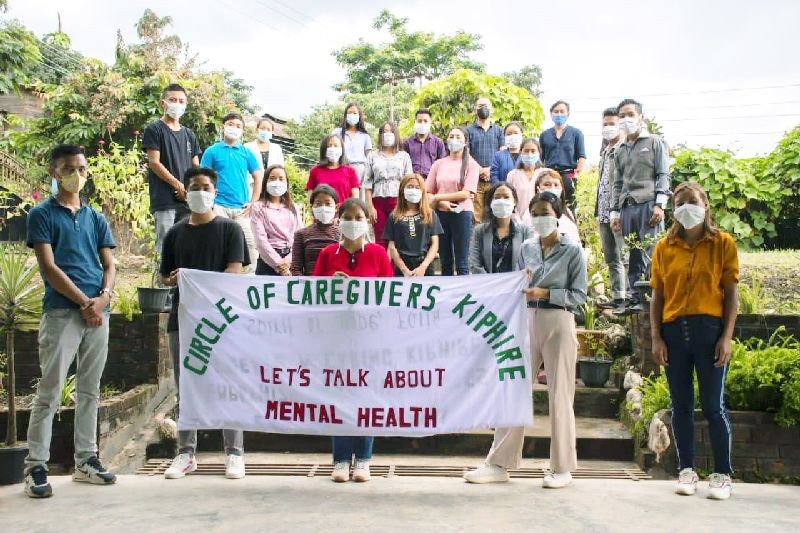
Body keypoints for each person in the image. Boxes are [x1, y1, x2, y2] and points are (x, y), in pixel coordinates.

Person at [463, 191, 587, 489]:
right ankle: (499, 462)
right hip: (526, 319)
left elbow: (580, 296)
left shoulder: (573, 251)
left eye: (546, 212)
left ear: (557, 213)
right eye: (535, 213)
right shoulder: (528, 247)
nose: (541, 218)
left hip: (558, 319)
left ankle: (561, 467)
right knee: (513, 388)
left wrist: (546, 293)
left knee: (560, 394)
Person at [24, 144, 118, 498]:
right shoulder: (41, 215)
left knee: (90, 390)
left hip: (98, 312)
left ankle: (86, 460)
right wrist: (84, 303)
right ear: (53, 172)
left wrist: (104, 297)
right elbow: (49, 268)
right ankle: (35, 465)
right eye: (67, 168)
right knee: (50, 390)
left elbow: (109, 264)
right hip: (63, 312)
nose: (75, 174)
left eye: (80, 168)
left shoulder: (95, 217)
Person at [159, 166, 250, 480]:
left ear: (215, 190)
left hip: (222, 321)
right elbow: (164, 275)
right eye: (194, 186)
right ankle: (186, 453)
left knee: (229, 384)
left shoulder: (230, 231)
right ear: (185, 191)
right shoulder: (174, 233)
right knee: (187, 385)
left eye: (206, 186)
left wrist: (205, 292)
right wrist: (173, 279)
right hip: (181, 320)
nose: (200, 191)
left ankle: (234, 453)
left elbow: (234, 272)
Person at [650, 182, 738, 501]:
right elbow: (657, 295)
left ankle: (722, 474)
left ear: (705, 204)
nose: (687, 206)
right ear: (674, 209)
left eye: (692, 201)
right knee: (681, 406)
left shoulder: (722, 244)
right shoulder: (664, 246)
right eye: (681, 202)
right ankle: (686, 469)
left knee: (714, 406)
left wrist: (726, 336)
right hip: (674, 331)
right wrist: (656, 337)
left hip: (709, 330)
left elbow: (731, 293)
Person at [313, 198, 393, 482]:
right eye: (347, 216)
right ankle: (341, 459)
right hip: (335, 339)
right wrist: (331, 286)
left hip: (369, 338)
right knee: (339, 397)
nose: (353, 221)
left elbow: (388, 297)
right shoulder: (325, 255)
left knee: (365, 397)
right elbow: (313, 296)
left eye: (358, 216)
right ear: (339, 219)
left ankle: (364, 459)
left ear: (367, 221)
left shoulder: (379, 254)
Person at [610, 98, 671, 312]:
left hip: (648, 204)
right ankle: (635, 298)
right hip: (627, 207)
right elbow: (617, 183)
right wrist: (614, 213)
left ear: (640, 117)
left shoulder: (655, 143)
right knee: (632, 254)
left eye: (630, 115)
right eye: (622, 116)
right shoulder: (619, 149)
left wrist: (660, 204)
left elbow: (663, 174)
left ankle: (654, 297)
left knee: (651, 251)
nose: (626, 119)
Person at [200, 112, 263, 272]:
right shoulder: (212, 151)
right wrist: (209, 204)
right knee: (218, 244)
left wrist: (253, 202)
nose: (234, 128)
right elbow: (203, 179)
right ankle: (219, 278)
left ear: (242, 130)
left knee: (250, 245)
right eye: (231, 124)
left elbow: (258, 176)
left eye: (238, 126)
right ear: (223, 127)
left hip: (242, 209)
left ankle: (249, 281)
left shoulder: (246, 152)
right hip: (219, 206)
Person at [142, 83, 201, 253]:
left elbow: (196, 166)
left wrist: (192, 189)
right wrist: (178, 186)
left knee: (188, 248)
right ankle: (163, 281)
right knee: (166, 249)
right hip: (164, 200)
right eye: (172, 99)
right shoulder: (154, 130)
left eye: (181, 101)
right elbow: (154, 163)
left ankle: (182, 281)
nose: (177, 104)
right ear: (163, 103)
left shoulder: (189, 134)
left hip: (188, 201)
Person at [426, 127, 480, 276]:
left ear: (465, 142)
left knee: (462, 261)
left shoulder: (472, 165)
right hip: (440, 214)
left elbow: (466, 193)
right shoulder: (438, 164)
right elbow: (428, 191)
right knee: (445, 260)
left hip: (462, 213)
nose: (454, 139)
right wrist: (440, 202)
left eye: (458, 137)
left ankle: (462, 294)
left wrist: (438, 197)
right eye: (451, 136)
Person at [596, 108, 627, 314]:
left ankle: (630, 296)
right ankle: (618, 297)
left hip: (620, 211)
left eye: (612, 123)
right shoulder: (604, 151)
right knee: (611, 258)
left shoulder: (624, 150)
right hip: (603, 211)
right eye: (605, 124)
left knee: (625, 256)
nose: (608, 128)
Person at [364, 122, 413, 247]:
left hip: (398, 200)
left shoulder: (404, 156)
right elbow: (367, 182)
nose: (388, 134)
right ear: (380, 135)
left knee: (398, 237)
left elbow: (409, 181)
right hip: (378, 200)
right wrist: (370, 207)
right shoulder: (372, 156)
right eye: (385, 131)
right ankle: (382, 266)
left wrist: (407, 206)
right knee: (380, 239)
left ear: (396, 134)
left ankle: (397, 266)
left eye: (391, 131)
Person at [384, 174, 442, 276]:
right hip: (402, 266)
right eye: (410, 187)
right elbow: (392, 246)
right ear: (402, 190)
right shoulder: (394, 216)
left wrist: (423, 267)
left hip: (424, 264)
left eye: (417, 187)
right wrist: (404, 269)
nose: (413, 190)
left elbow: (435, 244)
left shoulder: (430, 214)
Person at [468, 182, 532, 274]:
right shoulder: (479, 231)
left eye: (506, 197)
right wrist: (492, 282)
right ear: (491, 202)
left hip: (516, 285)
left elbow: (529, 261)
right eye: (497, 197)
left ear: (514, 202)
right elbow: (474, 263)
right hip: (488, 285)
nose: (502, 201)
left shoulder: (526, 231)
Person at [250, 164, 302, 276]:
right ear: (266, 182)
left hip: (291, 261)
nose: (276, 182)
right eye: (272, 178)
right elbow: (260, 241)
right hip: (267, 263)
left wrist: (288, 260)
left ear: (286, 183)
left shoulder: (293, 208)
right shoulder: (258, 207)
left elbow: (299, 237)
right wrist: (279, 264)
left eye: (281, 179)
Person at [538, 100, 586, 210]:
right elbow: (541, 158)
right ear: (551, 114)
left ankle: (570, 226)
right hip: (550, 174)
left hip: (568, 174)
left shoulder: (576, 133)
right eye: (556, 111)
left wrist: (576, 174)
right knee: (549, 205)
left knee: (569, 206)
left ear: (567, 114)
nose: (559, 114)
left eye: (562, 111)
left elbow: (581, 156)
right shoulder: (544, 135)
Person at [465, 97, 505, 222]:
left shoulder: (499, 131)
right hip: (474, 179)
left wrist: (489, 169)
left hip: (494, 178)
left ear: (492, 109)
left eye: (486, 106)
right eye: (480, 105)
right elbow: (466, 153)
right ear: (475, 109)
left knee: (494, 214)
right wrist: (480, 170)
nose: (483, 108)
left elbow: (502, 151)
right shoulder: (468, 131)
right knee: (476, 217)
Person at [290, 184, 340, 276]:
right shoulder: (301, 234)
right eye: (318, 204)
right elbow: (296, 268)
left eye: (328, 203)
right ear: (312, 207)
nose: (323, 207)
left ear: (336, 207)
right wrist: (304, 286)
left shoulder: (342, 234)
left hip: (335, 287)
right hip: (309, 287)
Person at [305, 134, 359, 207]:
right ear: (324, 149)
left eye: (336, 145)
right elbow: (310, 198)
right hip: (321, 214)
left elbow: (355, 199)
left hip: (343, 215)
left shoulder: (350, 171)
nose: (332, 148)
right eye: (329, 146)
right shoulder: (315, 171)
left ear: (342, 149)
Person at [332, 103, 372, 195]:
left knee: (358, 200)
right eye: (349, 113)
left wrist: (369, 175)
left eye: (355, 113)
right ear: (345, 116)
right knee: (341, 195)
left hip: (360, 171)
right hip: (342, 167)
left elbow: (369, 157)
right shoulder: (337, 132)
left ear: (359, 116)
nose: (352, 115)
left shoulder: (365, 135)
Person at [534, 170, 581, 244]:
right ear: (538, 189)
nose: (552, 188)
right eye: (547, 184)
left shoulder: (567, 212)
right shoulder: (531, 213)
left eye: (556, 185)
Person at [506, 138, 545, 225]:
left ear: (539, 153)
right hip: (517, 222)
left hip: (540, 221)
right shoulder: (512, 175)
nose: (529, 154)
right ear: (521, 152)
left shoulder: (545, 174)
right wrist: (517, 220)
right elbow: (509, 200)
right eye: (526, 151)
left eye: (533, 151)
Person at [244, 118, 285, 197]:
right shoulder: (247, 147)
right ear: (257, 129)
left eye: (268, 129)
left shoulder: (276, 148)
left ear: (272, 132)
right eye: (262, 128)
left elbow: (281, 169)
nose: (265, 131)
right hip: (251, 187)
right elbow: (244, 170)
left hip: (272, 187)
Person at [402, 108, 446, 180]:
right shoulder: (407, 143)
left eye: (425, 121)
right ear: (415, 122)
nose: (422, 123)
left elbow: (442, 166)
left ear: (430, 122)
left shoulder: (438, 143)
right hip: (413, 181)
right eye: (419, 121)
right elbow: (404, 165)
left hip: (432, 180)